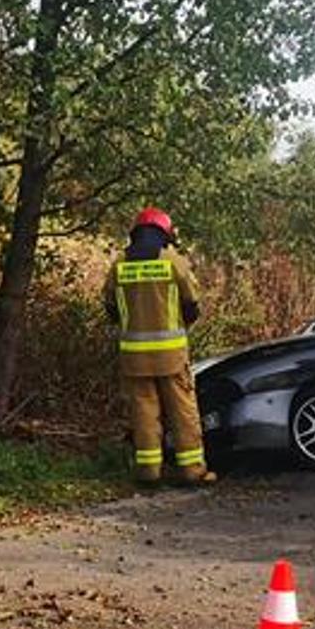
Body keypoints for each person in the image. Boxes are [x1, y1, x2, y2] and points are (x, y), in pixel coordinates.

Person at [104, 207, 213, 485]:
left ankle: (149, 472)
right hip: (171, 355)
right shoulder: (173, 261)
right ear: (164, 232)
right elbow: (192, 305)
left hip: (134, 357)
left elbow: (111, 308)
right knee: (183, 411)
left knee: (143, 413)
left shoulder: (119, 265)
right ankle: (192, 471)